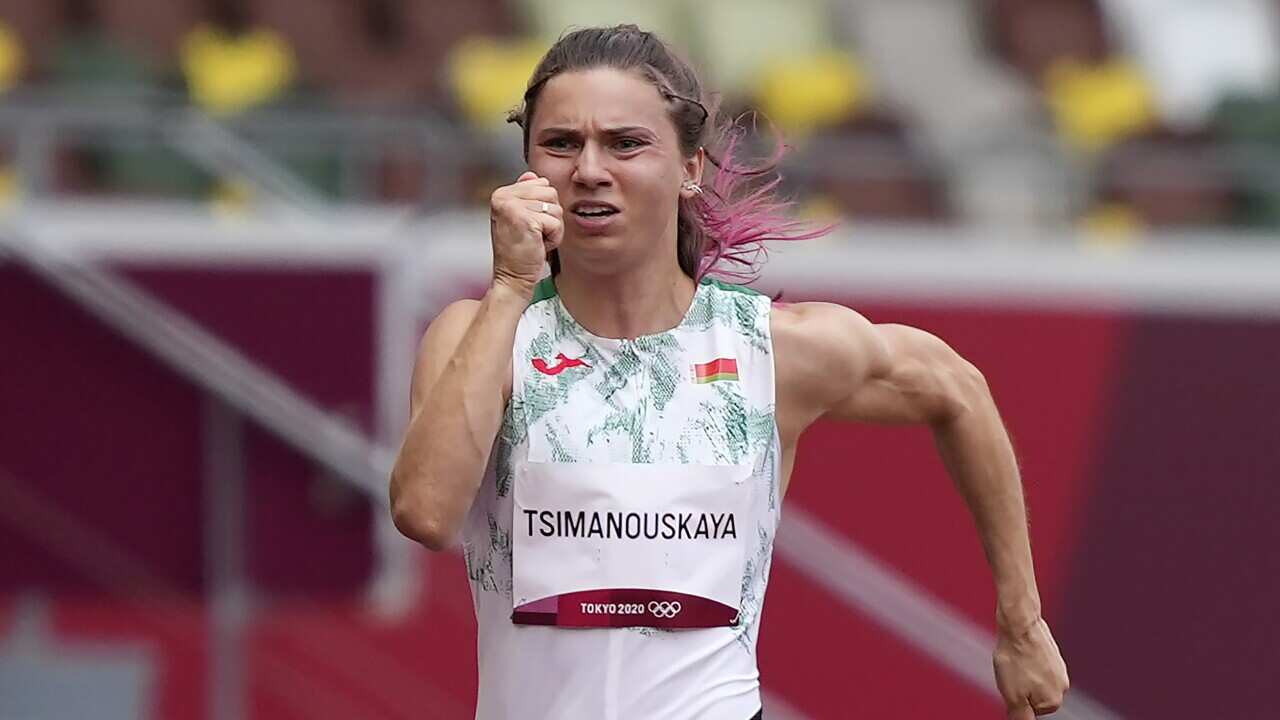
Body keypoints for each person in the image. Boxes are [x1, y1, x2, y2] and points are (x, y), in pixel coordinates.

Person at [389, 24, 1069, 720]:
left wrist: (1022, 622)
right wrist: (509, 285)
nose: (589, 169)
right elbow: (426, 514)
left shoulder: (768, 348)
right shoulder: (483, 336)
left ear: (690, 169)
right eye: (561, 144)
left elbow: (958, 389)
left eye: (626, 143)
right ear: (528, 169)